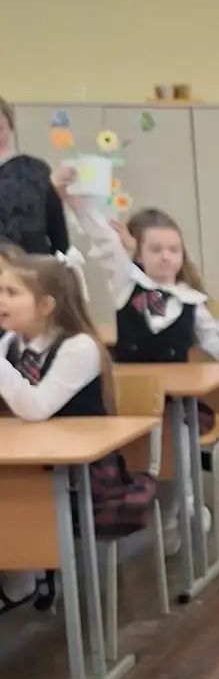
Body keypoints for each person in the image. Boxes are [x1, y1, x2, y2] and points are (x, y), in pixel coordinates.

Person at [0, 254, 156, 607]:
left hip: (83, 475)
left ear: (46, 306)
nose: (1, 300)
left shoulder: (79, 347)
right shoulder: (10, 343)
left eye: (11, 292)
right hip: (28, 461)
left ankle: (25, 574)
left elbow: (36, 408)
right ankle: (21, 574)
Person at [57, 172, 219, 368]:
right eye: (156, 250)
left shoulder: (191, 301)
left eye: (174, 250)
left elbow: (218, 347)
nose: (165, 256)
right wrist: (77, 204)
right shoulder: (127, 284)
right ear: (139, 254)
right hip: (131, 386)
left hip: (179, 388)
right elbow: (105, 239)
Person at [0, 97, 69, 257]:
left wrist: (59, 263)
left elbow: (57, 228)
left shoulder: (36, 168)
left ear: (8, 121)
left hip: (33, 262)